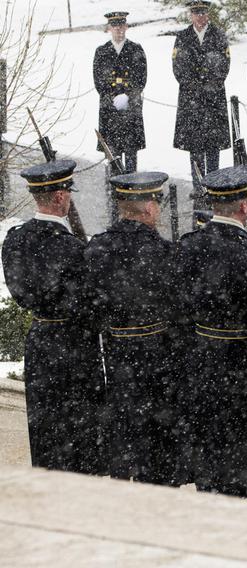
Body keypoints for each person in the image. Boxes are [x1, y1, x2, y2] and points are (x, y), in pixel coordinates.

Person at [174, 165, 247, 502]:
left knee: (211, 457)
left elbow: (179, 311)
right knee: (243, 462)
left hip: (203, 365)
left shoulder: (190, 246)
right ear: (245, 206)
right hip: (244, 373)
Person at [2, 160, 107, 474]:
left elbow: (20, 292)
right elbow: (90, 306)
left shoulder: (15, 240)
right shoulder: (73, 249)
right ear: (61, 198)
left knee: (46, 432)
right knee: (81, 439)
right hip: (74, 345)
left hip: (40, 341)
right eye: (67, 192)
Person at [82, 171, 185, 486]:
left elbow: (91, 305)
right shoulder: (167, 253)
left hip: (117, 355)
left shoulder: (98, 249)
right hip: (160, 358)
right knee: (159, 444)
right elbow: (179, 311)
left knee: (128, 434)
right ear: (150, 207)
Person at [172, 0, 231, 198]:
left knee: (213, 144)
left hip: (213, 98)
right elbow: (178, 66)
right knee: (195, 145)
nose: (200, 16)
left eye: (203, 12)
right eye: (196, 13)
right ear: (191, 15)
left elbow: (224, 64)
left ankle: (213, 185)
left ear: (208, 14)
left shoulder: (218, 35)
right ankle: (198, 186)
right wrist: (194, 87)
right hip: (191, 99)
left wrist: (209, 84)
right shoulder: (183, 37)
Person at [93, 11, 146, 174]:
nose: (118, 29)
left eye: (121, 25)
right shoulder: (101, 52)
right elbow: (99, 81)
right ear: (109, 28)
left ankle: (132, 190)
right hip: (110, 110)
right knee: (113, 156)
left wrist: (128, 96)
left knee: (131, 155)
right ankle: (116, 192)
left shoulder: (136, 49)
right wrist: (112, 98)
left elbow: (141, 78)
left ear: (126, 26)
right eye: (115, 25)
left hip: (130, 109)